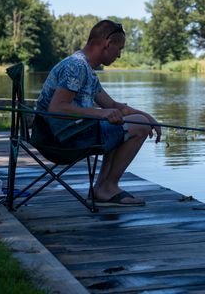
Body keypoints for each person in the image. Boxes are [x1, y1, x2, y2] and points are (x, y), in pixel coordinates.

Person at [36, 20, 161, 206]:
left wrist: (149, 118)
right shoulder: (76, 67)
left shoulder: (86, 69)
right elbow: (57, 108)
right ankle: (106, 187)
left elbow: (112, 105)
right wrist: (101, 114)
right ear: (107, 44)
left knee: (137, 122)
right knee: (138, 127)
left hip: (70, 134)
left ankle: (103, 187)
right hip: (62, 140)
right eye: (120, 49)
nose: (119, 55)